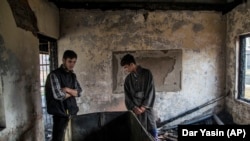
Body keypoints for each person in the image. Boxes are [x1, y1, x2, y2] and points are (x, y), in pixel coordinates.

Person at [45, 50, 82, 141]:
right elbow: (59, 95)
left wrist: (66, 89)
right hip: (60, 114)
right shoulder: (54, 75)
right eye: (70, 61)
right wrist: (72, 93)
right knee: (59, 138)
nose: (72, 64)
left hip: (72, 111)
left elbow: (80, 92)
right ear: (63, 60)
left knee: (72, 137)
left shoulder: (73, 76)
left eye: (74, 62)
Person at [120, 54, 158, 141]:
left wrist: (144, 107)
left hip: (147, 110)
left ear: (132, 64)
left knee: (152, 131)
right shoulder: (128, 80)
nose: (126, 70)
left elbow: (151, 91)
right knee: (137, 132)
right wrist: (134, 108)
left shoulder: (147, 73)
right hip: (136, 111)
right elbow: (127, 96)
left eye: (126, 67)